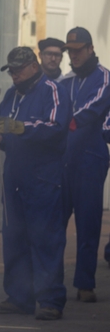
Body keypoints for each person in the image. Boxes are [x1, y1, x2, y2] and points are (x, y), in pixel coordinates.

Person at [0, 47, 69, 320]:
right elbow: (2, 129)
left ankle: (50, 300)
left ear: (34, 66)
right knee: (14, 238)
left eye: (18, 70)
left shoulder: (53, 90)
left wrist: (21, 128)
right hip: (13, 177)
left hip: (43, 178)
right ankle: (19, 297)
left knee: (45, 239)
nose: (14, 75)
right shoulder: (10, 95)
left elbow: (57, 128)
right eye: (10, 70)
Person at [59, 27, 110, 302]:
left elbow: (88, 112)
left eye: (78, 50)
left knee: (88, 223)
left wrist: (60, 125)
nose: (73, 55)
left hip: (91, 159)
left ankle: (85, 284)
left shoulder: (104, 78)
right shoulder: (66, 81)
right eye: (70, 50)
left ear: (90, 49)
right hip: (63, 160)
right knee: (55, 223)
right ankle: (51, 284)